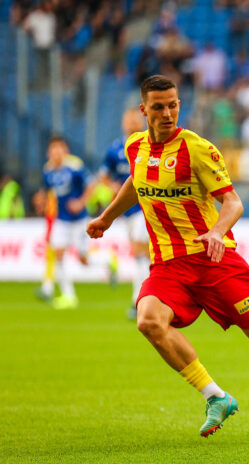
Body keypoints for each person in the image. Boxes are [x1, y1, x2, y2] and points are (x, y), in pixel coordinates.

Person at [86, 75, 249, 440]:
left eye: (174, 104)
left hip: (214, 261)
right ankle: (215, 396)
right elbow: (136, 181)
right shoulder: (135, 147)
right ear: (143, 110)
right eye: (159, 106)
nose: (168, 113)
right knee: (148, 320)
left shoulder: (197, 149)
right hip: (168, 265)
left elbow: (232, 201)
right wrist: (107, 217)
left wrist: (215, 231)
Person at [99, 108, 150, 318]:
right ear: (122, 123)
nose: (131, 122)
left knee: (139, 248)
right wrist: (112, 188)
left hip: (146, 207)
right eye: (127, 118)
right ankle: (150, 296)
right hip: (125, 210)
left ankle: (138, 300)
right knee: (143, 253)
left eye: (134, 118)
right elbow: (103, 175)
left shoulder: (150, 143)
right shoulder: (115, 149)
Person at [38, 136, 91, 309]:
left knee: (84, 259)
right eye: (53, 149)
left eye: (59, 148)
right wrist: (43, 202)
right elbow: (48, 192)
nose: (56, 152)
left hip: (80, 219)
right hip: (62, 219)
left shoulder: (75, 167)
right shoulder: (47, 171)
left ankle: (108, 261)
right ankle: (68, 296)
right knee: (58, 254)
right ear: (49, 153)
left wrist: (81, 203)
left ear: (66, 151)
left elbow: (91, 185)